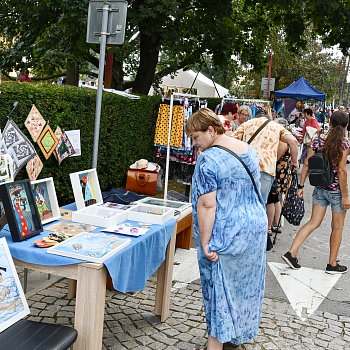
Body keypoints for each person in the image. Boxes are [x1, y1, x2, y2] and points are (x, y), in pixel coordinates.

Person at [186, 108, 267, 349]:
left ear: (211, 130)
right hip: (254, 228)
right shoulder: (247, 149)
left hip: (226, 232)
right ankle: (235, 335)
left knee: (218, 289)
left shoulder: (208, 160)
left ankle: (215, 344)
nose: (194, 144)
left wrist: (204, 242)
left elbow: (207, 205)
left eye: (195, 137)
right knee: (244, 287)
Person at [282, 111, 350, 274]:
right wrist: (346, 195)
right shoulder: (345, 144)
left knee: (313, 222)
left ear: (330, 122)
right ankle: (332, 264)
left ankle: (292, 253)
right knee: (337, 227)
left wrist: (301, 186)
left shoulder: (318, 139)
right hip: (336, 192)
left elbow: (307, 163)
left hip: (319, 188)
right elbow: (341, 170)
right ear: (346, 125)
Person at [233, 110, 299, 204]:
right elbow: (294, 141)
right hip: (266, 168)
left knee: (242, 202)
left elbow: (232, 140)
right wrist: (294, 162)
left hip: (246, 167)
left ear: (255, 117)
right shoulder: (276, 126)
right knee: (260, 204)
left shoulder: (247, 124)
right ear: (269, 118)